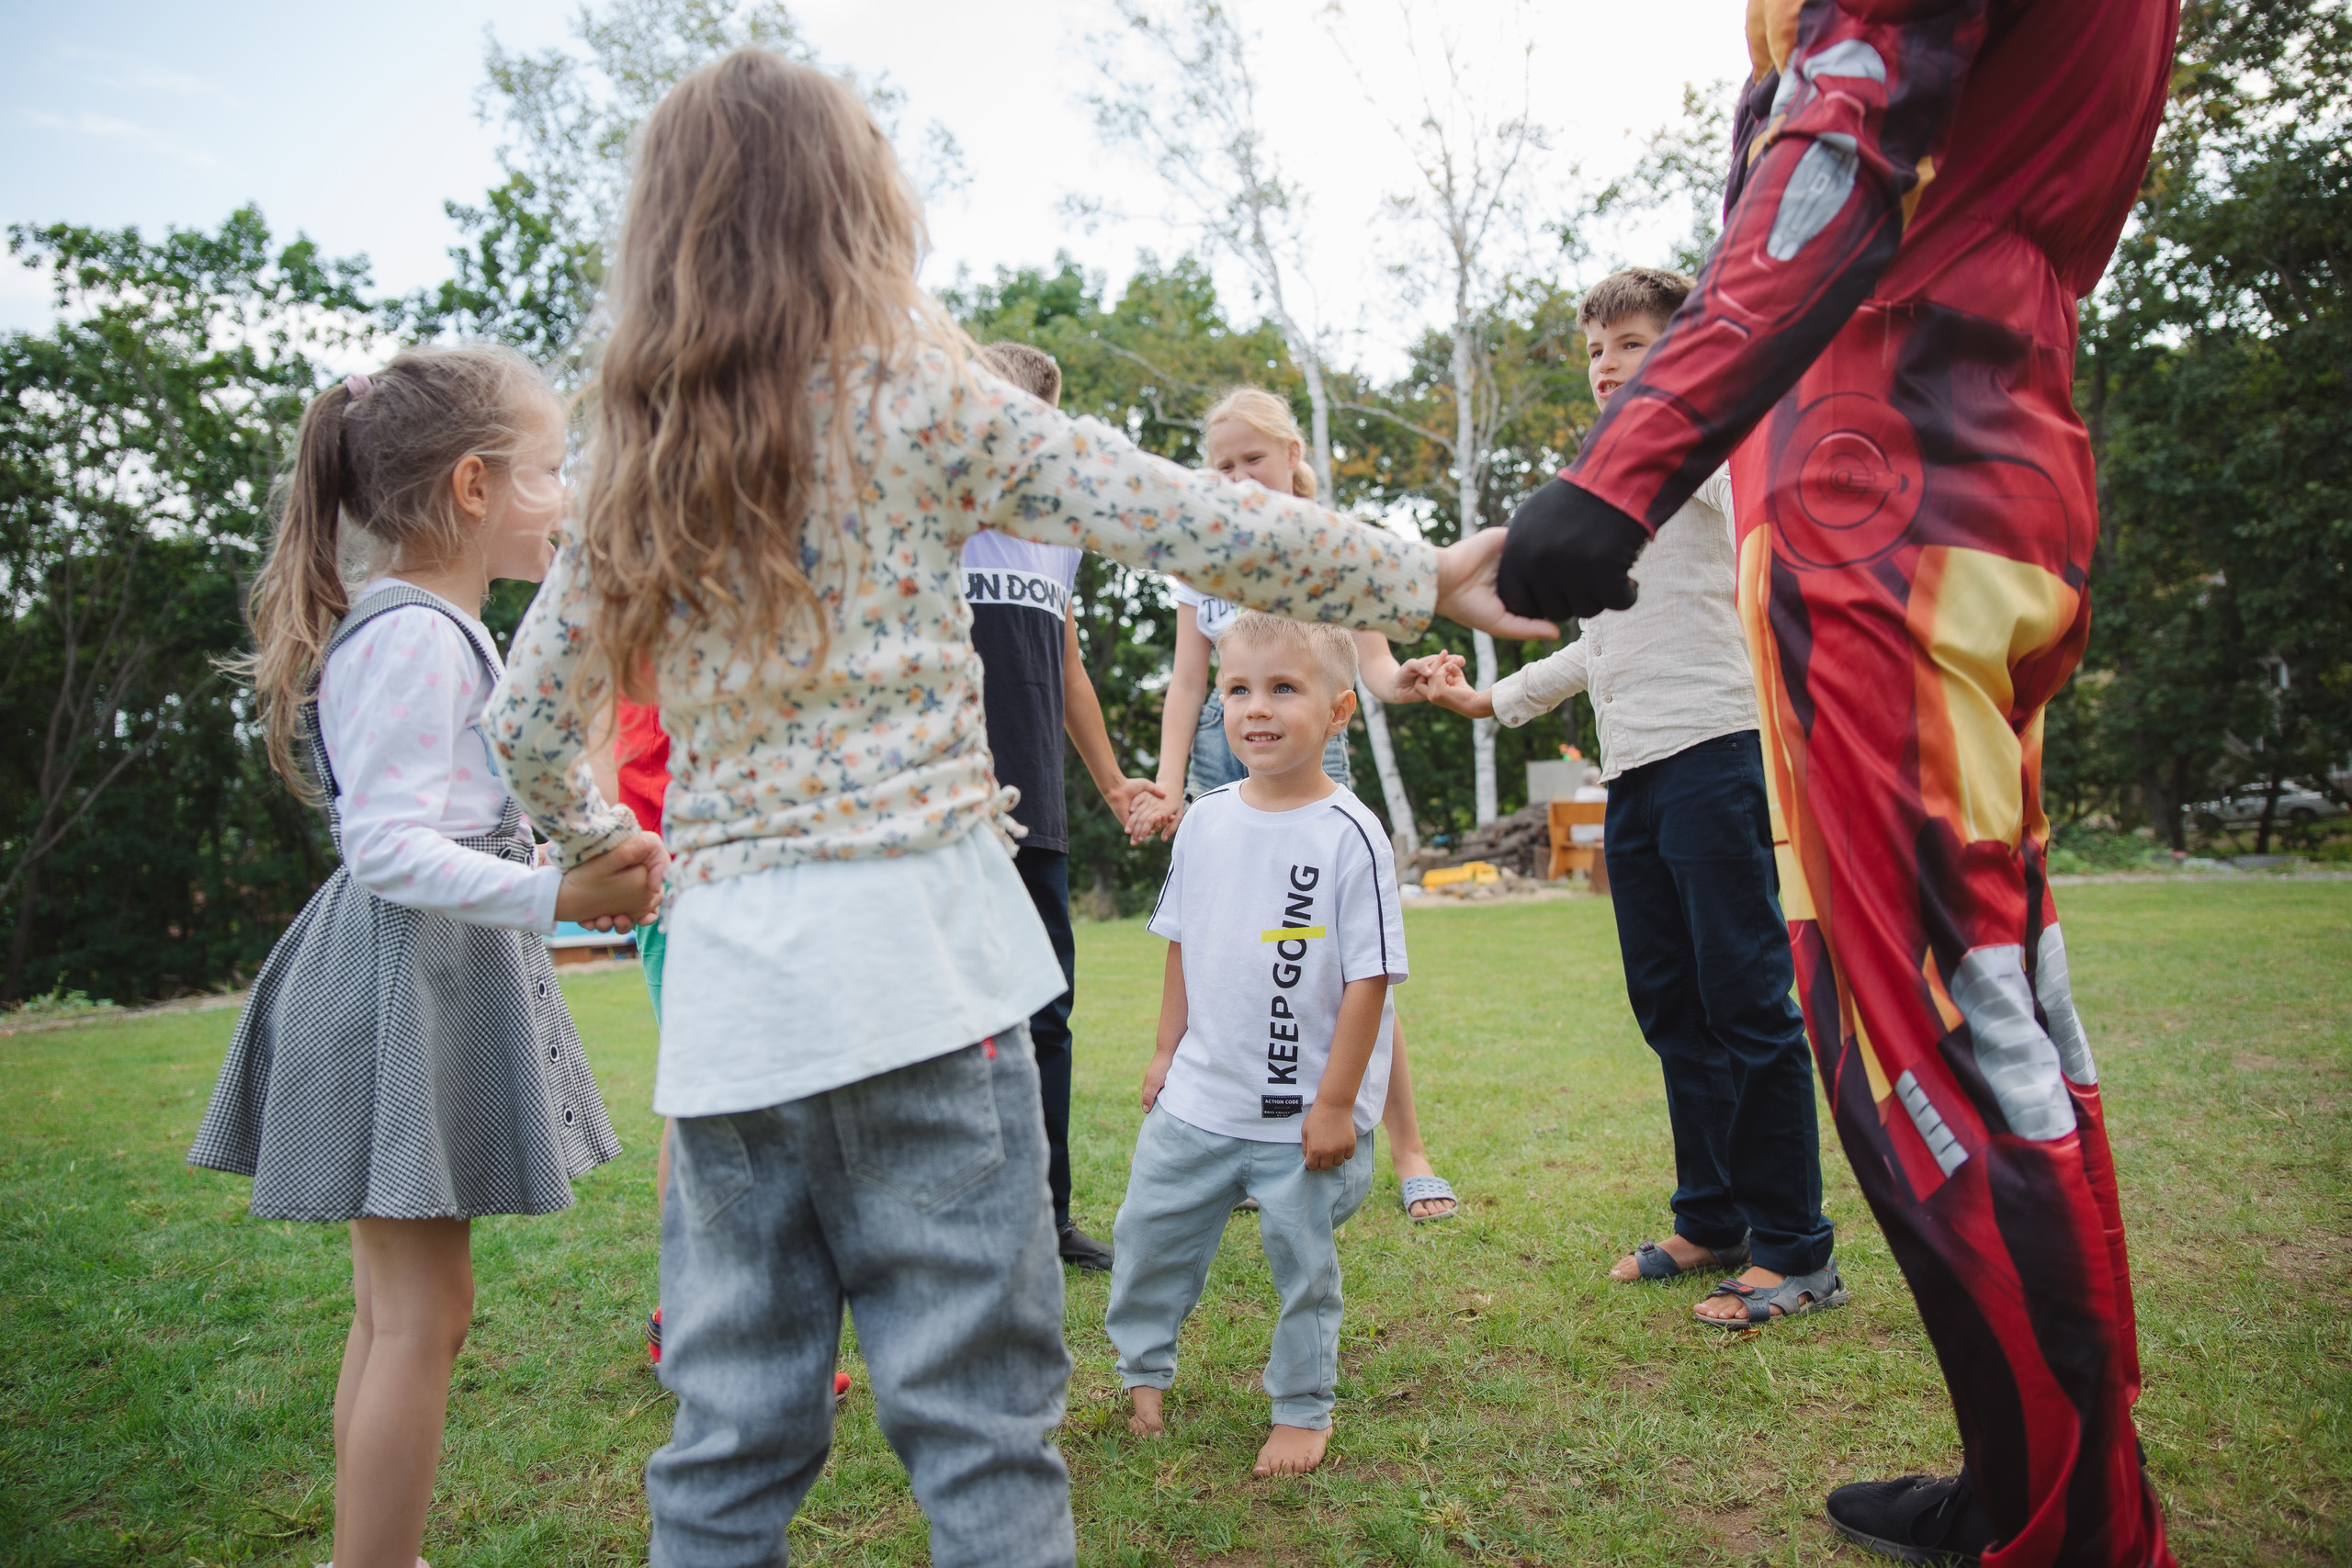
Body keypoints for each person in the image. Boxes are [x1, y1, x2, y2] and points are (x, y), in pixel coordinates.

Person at [486, 51, 1540, 1568]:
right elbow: (1173, 513)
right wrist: (1420, 573)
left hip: (732, 1012)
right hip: (934, 977)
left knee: (726, 1453)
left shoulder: (628, 471)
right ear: (864, 213)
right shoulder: (923, 401)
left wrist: (600, 850)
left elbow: (524, 725)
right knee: (982, 1444)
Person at [1496, 1, 2180, 1562]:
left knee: (1923, 1051)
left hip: (1885, 485)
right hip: (1981, 446)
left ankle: (2075, 1528)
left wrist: (1627, 458)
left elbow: (1847, 136)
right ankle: (2045, 1485)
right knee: (1998, 1022)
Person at [187, 346, 665, 1568]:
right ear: (472, 488)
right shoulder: (417, 636)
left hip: (421, 973)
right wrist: (553, 890)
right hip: (402, 976)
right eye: (551, 472)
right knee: (420, 1314)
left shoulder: (433, 627)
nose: (564, 496)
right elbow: (391, 845)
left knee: (398, 1309)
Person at [1420, 267, 1842, 1326]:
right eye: (1596, 350)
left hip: (1719, 750)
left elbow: (1775, 536)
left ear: (1688, 352)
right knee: (1670, 1003)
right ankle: (1712, 1219)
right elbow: (1600, 644)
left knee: (1747, 1003)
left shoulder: (1703, 450)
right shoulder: (1627, 476)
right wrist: (1490, 703)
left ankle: (1797, 1253)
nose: (1608, 365)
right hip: (1639, 771)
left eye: (1635, 343)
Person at [1127, 387, 1465, 1224]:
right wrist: (1171, 784)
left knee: (1354, 961)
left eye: (1254, 458)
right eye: (1224, 464)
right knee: (1234, 957)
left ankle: (1410, 1147)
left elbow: (1374, 669)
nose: (1240, 475)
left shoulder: (1332, 548)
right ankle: (1246, 1136)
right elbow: (1189, 680)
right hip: (1220, 756)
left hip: (1316, 756)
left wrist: (1410, 684)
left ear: (1289, 456)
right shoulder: (1195, 550)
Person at [1109, 613, 1406, 1479]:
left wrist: (1336, 1104)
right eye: (1238, 690)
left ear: (1339, 709)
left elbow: (1370, 979)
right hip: (1199, 1101)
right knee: (1146, 1234)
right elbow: (1181, 941)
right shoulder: (1202, 820)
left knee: (1303, 1266)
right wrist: (1167, 1052)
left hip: (1298, 1119)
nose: (1256, 708)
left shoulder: (1352, 833)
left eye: (1284, 688)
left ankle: (1302, 1406)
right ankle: (1142, 1374)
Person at [959, 339, 1161, 1272]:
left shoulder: (1061, 534)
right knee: (948, 1023)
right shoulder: (932, 517)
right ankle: (954, 1226)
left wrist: (1114, 779)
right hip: (943, 817)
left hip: (1033, 810)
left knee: (1045, 1019)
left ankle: (1047, 1220)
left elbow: (1069, 668)